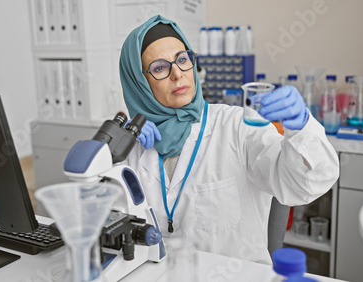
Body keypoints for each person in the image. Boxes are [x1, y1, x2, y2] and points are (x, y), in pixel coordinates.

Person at [119, 15, 339, 265]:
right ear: (138, 82)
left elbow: (301, 186)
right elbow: (103, 220)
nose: (178, 75)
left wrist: (301, 127)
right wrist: (111, 154)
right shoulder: (131, 143)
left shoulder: (237, 126)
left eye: (182, 60)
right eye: (160, 67)